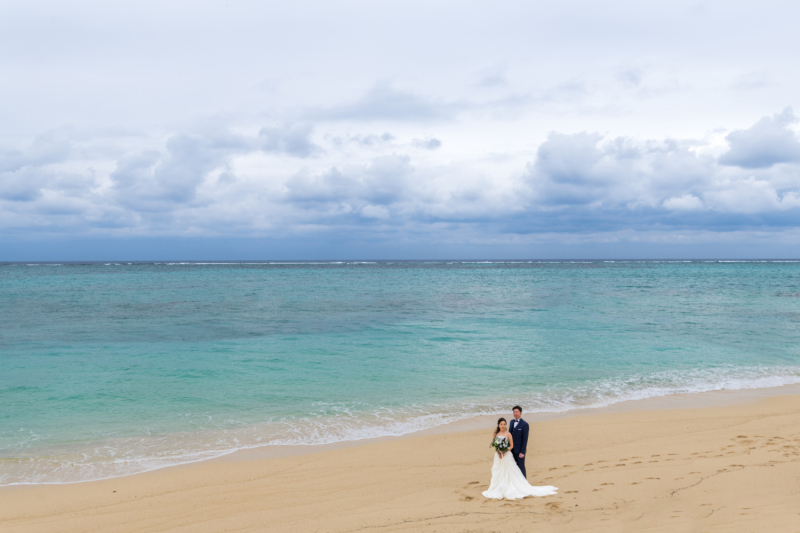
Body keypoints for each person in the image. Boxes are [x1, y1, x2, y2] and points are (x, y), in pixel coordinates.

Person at [482, 416, 558, 500]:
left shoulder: (508, 434)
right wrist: (498, 451)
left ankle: (510, 486)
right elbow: (494, 444)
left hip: (506, 455)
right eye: (501, 424)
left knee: (510, 470)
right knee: (498, 470)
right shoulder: (495, 434)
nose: (503, 426)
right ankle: (498, 487)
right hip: (498, 456)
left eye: (504, 424)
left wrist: (504, 451)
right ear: (498, 425)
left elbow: (511, 446)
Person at [509, 405, 529, 477]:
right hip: (511, 450)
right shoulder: (511, 422)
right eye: (514, 412)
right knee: (513, 467)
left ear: (520, 413)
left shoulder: (525, 424)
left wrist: (522, 452)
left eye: (517, 412)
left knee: (521, 467)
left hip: (519, 451)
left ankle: (524, 482)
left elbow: (525, 439)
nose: (515, 413)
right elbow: (509, 435)